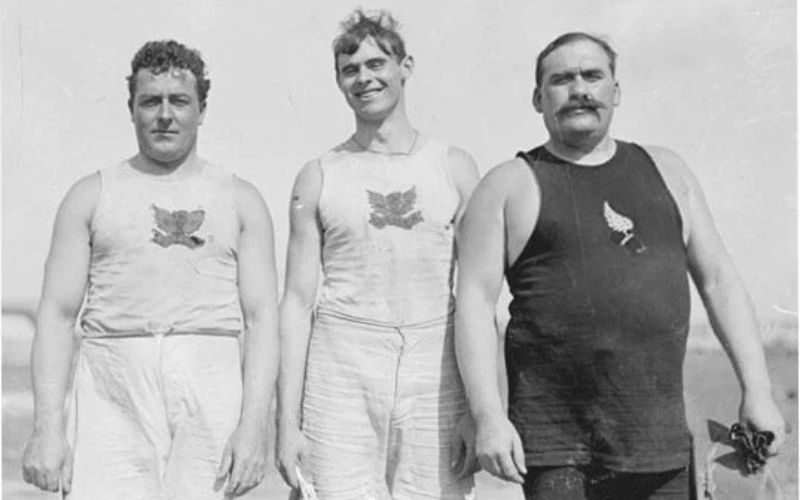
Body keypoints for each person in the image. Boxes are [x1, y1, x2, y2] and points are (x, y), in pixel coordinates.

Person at [454, 32, 787, 499]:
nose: (579, 89)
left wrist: (759, 391)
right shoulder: (510, 184)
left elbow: (719, 282)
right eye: (561, 79)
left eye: (593, 75)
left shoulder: (668, 171)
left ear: (616, 90)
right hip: (556, 446)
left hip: (659, 440)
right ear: (537, 98)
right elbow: (473, 301)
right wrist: (489, 417)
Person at [21, 40, 279, 499]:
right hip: (111, 380)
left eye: (179, 101)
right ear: (131, 108)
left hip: (209, 377)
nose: (164, 114)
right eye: (150, 101)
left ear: (202, 108)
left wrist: (254, 427)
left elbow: (262, 320)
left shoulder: (241, 199)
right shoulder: (90, 195)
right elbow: (58, 316)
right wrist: (47, 429)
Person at [276, 10, 480, 500]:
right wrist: (286, 424)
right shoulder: (319, 175)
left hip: (435, 361)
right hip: (342, 359)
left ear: (405, 66)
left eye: (376, 63)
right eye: (350, 69)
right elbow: (297, 303)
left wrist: (479, 411)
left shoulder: (453, 167)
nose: (364, 78)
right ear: (338, 81)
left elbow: (480, 296)